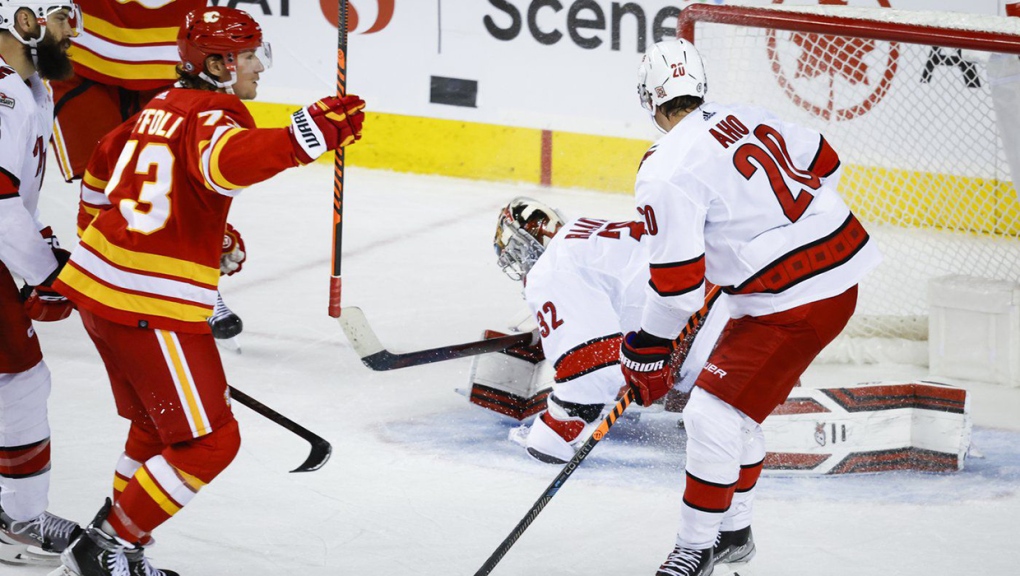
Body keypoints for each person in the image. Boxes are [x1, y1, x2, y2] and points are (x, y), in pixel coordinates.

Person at [48, 6, 365, 576]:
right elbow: (224, 163)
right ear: (217, 64)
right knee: (209, 444)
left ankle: (123, 549)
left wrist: (190, 227)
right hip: (151, 311)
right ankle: (102, 551)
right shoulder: (218, 110)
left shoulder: (157, 109)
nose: (258, 67)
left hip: (103, 299)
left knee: (154, 430)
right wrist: (301, 137)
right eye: (248, 56)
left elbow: (99, 184)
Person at [618, 39, 882, 576]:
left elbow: (676, 289)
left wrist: (646, 349)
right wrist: (765, 228)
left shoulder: (664, 169)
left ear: (649, 98)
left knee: (710, 412)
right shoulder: (746, 114)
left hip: (796, 299)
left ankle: (696, 548)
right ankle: (733, 533)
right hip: (834, 265)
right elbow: (826, 161)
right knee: (733, 408)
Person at [50, 0, 247, 343]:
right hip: (88, 49)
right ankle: (107, 281)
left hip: (171, 54)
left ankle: (197, 287)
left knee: (182, 175)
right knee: (106, 178)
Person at [492, 197, 728, 464]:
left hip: (708, 339)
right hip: (736, 295)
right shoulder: (587, 237)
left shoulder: (550, 268)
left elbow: (593, 368)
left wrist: (554, 431)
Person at [0, 0, 85, 565]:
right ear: (24, 21)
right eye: (62, 20)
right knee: (21, 384)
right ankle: (20, 524)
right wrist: (43, 272)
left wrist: (38, 250)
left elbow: (16, 199)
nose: (71, 33)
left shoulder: (31, 88)